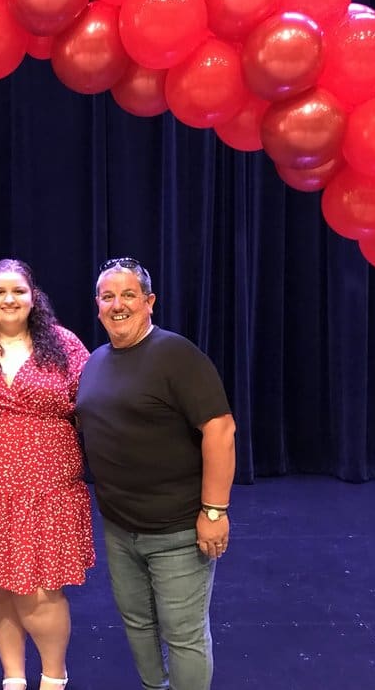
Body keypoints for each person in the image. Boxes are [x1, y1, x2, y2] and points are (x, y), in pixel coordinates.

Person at [75, 257, 236, 690]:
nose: (118, 305)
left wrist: (215, 512)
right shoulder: (95, 363)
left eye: (128, 295)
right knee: (137, 623)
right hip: (119, 526)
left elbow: (220, 429)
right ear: (97, 306)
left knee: (183, 635)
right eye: (108, 297)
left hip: (178, 530)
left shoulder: (175, 354)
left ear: (150, 302)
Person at [0, 259, 95, 690]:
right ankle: (13, 678)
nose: (9, 299)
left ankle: (53, 677)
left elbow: (96, 402)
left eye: (19, 291)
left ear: (34, 297)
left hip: (47, 487)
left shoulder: (63, 345)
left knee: (40, 587)